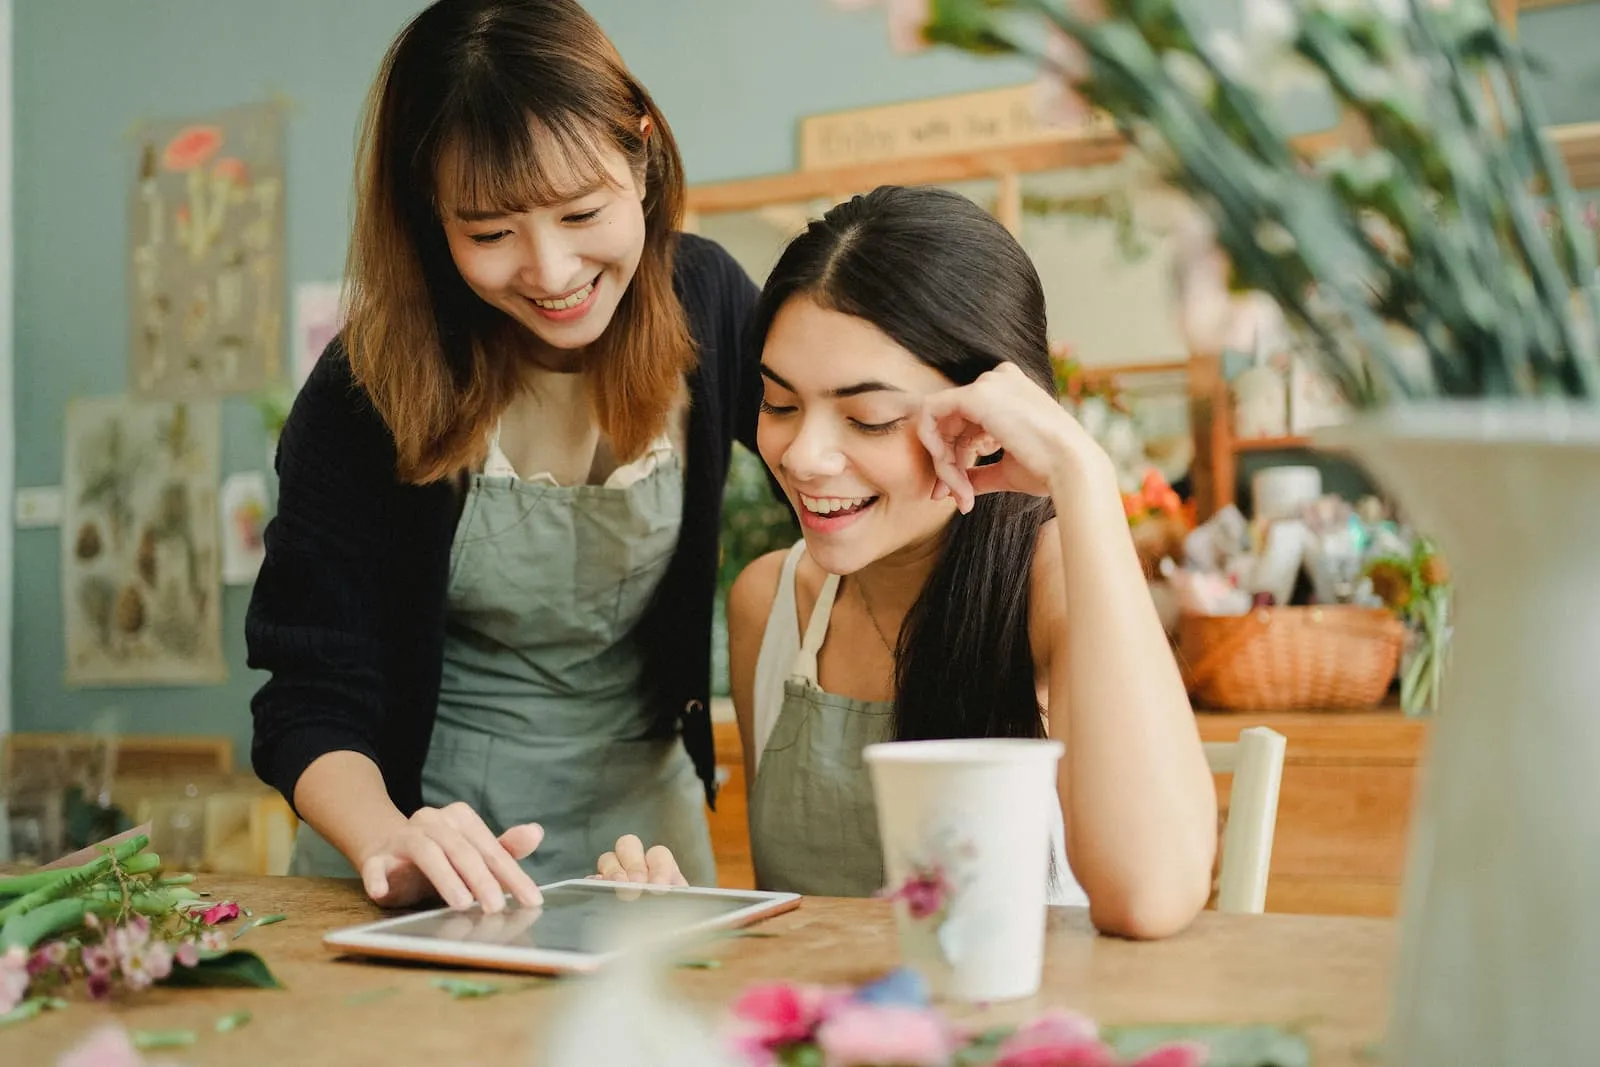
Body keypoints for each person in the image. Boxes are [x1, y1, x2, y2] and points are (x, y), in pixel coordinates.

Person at [246, 0, 764, 914]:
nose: (552, 270)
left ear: (641, 157)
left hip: (643, 830)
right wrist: (385, 836)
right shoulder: (366, 385)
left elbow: (840, 458)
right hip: (421, 821)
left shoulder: (709, 303)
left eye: (581, 211)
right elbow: (310, 692)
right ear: (428, 214)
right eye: (490, 233)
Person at [607, 186, 1217, 939]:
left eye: (870, 417)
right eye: (779, 403)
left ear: (988, 418)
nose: (803, 455)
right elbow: (799, 930)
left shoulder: (1051, 583)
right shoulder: (772, 605)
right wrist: (694, 921)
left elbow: (1148, 896)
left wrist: (1080, 473)